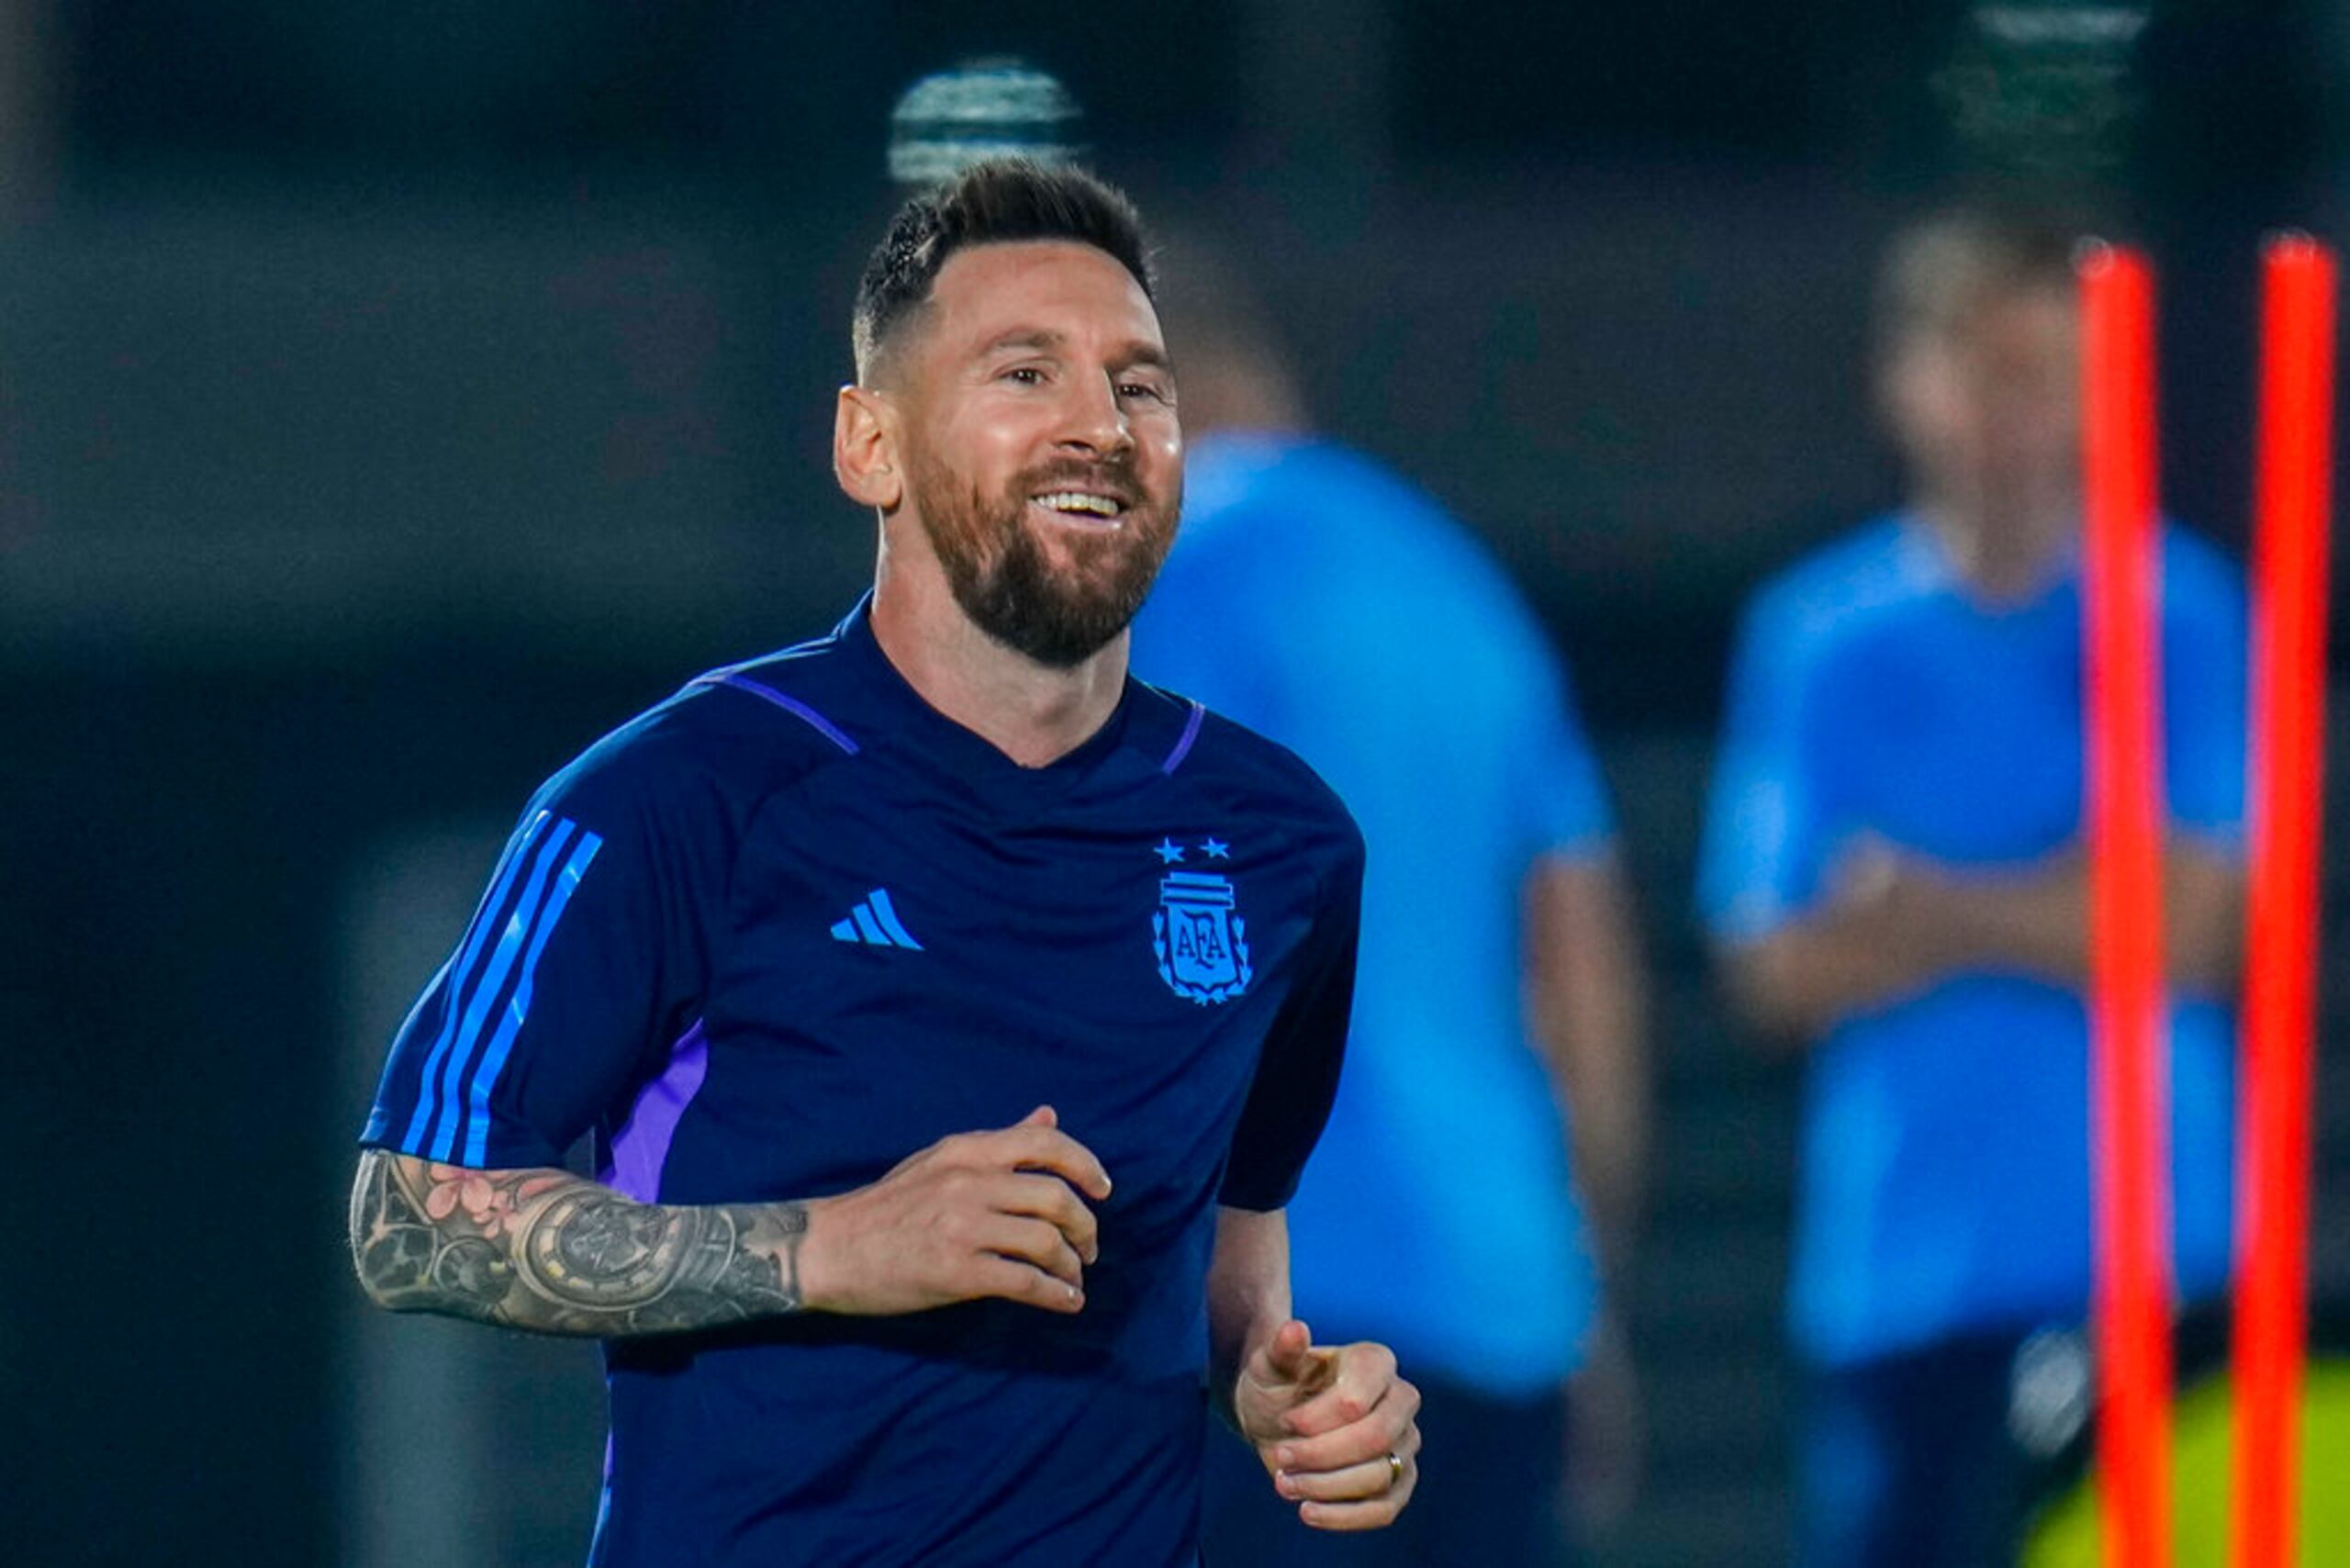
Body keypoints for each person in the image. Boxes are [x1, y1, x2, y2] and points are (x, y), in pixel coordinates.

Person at [348, 160, 1421, 1568]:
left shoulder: (1283, 845)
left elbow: (1230, 1253)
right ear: (873, 449)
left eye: (1139, 385)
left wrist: (1290, 1396)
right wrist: (831, 1249)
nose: (1098, 423)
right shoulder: (678, 796)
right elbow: (408, 1213)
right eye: (1023, 373)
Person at [1696, 210, 2246, 1568]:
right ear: (1907, 382)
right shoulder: (1819, 638)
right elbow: (1772, 964)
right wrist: (2068, 902)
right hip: (1901, 1284)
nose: (2016, 411)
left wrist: (1922, 907)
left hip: (2153, 1275)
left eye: (2046, 371)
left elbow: (2189, 931)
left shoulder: (2183, 611)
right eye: (1985, 368)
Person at [1134, 246, 1650, 1567]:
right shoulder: (1467, 593)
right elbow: (1584, 985)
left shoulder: (1138, 586)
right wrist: (1584, 1303)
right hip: (1501, 1304)